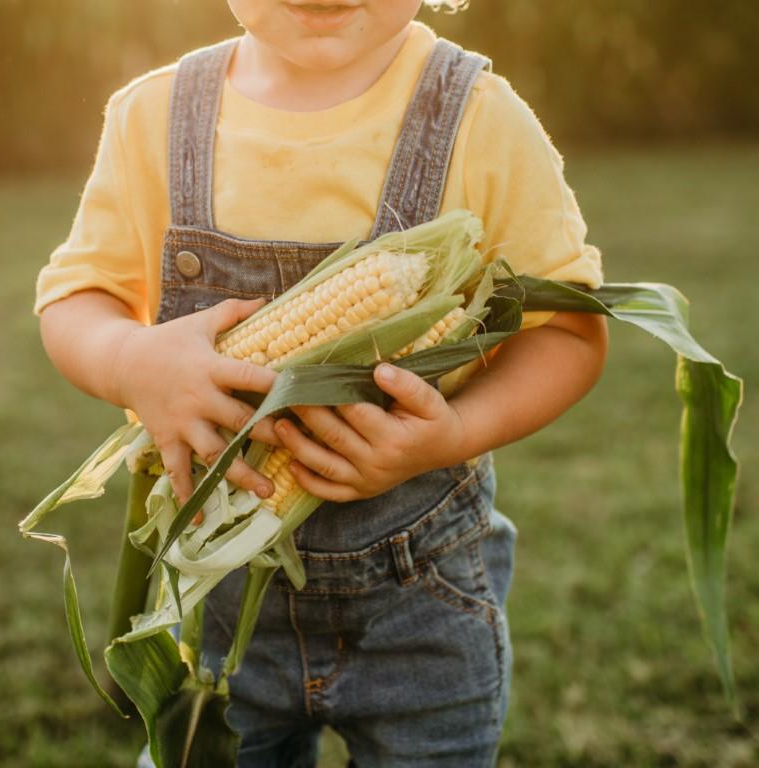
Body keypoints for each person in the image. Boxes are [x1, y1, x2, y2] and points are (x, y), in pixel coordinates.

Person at [36, 1, 607, 765]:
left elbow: (569, 330)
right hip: (216, 591)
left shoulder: (478, 118)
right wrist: (130, 361)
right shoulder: (155, 117)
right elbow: (77, 297)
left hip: (420, 603)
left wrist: (458, 433)